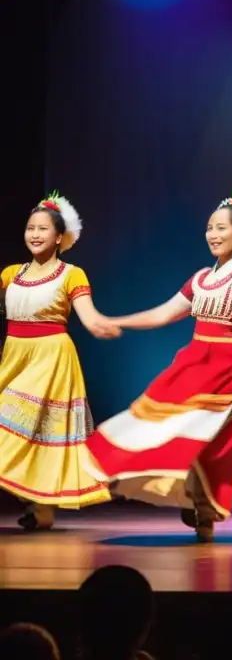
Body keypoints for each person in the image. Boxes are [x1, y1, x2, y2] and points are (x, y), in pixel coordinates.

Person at [84, 189, 232, 542]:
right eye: (209, 227)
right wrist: (119, 321)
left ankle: (204, 512)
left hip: (231, 372)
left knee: (210, 442)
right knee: (162, 426)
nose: (213, 234)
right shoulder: (201, 279)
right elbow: (163, 314)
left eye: (221, 228)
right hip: (194, 366)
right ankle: (187, 496)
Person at [0, 193, 118, 531]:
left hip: (50, 358)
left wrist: (100, 325)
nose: (35, 235)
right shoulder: (11, 274)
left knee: (24, 430)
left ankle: (39, 504)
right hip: (15, 356)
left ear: (59, 237)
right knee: (25, 434)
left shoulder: (72, 275)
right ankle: (38, 506)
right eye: (30, 228)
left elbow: (88, 314)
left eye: (43, 229)